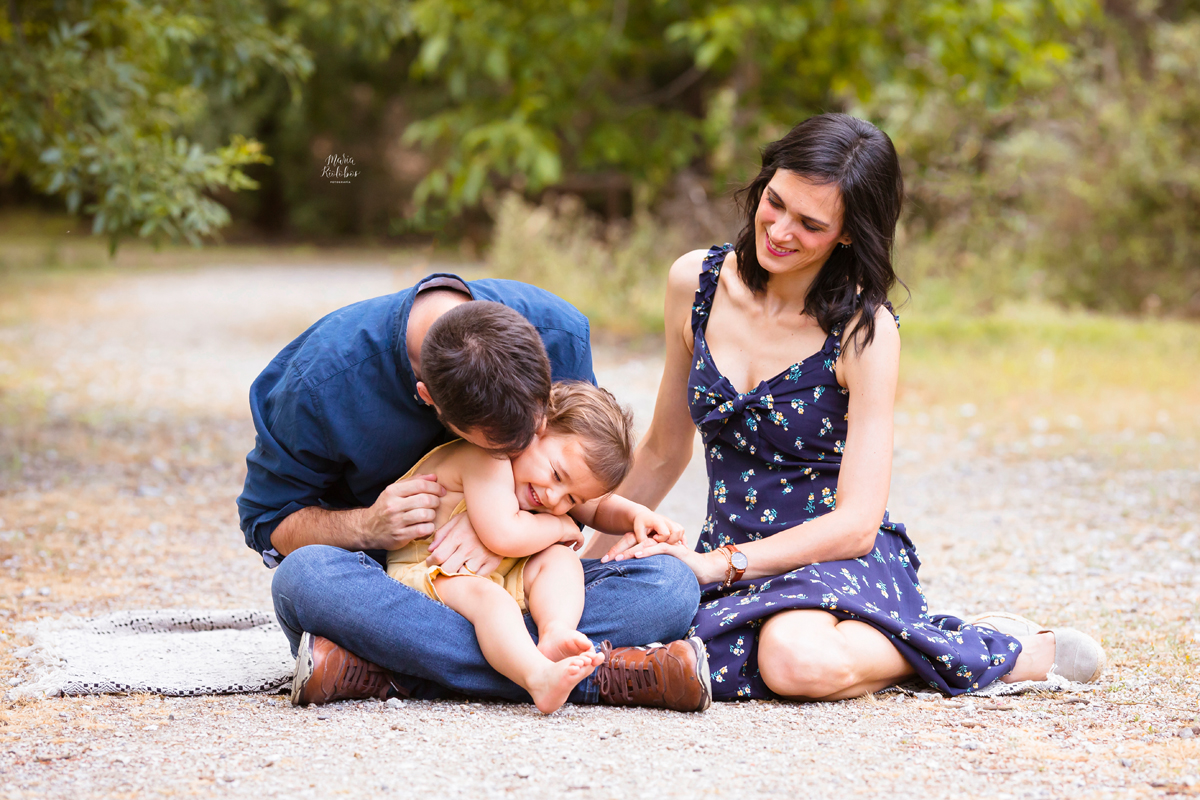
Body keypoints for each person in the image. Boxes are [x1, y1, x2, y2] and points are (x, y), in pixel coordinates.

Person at [583, 113, 1105, 700]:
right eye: (774, 202)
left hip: (835, 555)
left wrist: (718, 566)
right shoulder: (695, 284)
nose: (779, 230)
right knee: (636, 637)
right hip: (730, 555)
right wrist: (582, 562)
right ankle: (904, 641)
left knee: (794, 663)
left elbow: (856, 523)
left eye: (810, 223)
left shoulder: (865, 331)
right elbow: (661, 451)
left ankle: (981, 648)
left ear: (849, 233)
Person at [240, 276, 709, 711]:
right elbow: (269, 521)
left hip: (517, 576)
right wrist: (368, 526)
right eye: (507, 448)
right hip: (408, 587)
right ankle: (595, 676)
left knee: (670, 585)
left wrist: (620, 518)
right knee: (305, 578)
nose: (526, 454)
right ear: (430, 400)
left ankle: (384, 672)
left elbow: (580, 484)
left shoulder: (558, 332)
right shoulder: (319, 379)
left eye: (537, 427)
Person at [379, 381, 688, 714]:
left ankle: (554, 631)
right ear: (536, 426)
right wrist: (560, 525)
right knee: (492, 602)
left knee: (560, 559)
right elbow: (504, 536)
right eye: (556, 475)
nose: (555, 499)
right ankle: (535, 675)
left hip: (491, 577)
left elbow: (596, 507)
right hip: (430, 575)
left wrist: (637, 516)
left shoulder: (548, 479)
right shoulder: (487, 455)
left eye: (572, 499)